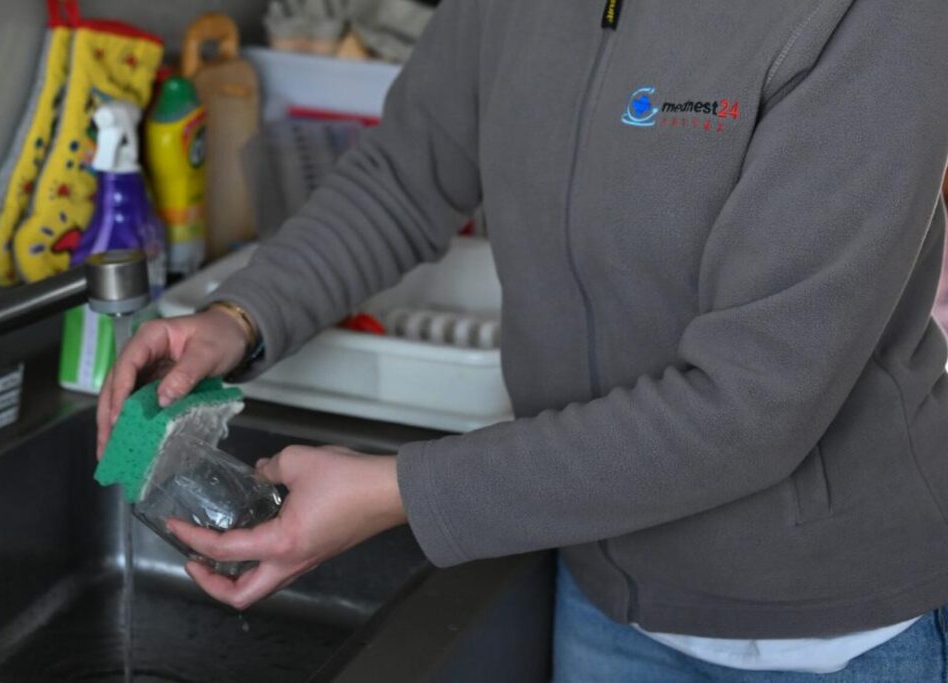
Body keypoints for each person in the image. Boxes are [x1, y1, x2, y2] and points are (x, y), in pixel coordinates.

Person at [97, 0, 948, 679]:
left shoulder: (876, 17)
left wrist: (403, 491)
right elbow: (404, 175)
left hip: (826, 634)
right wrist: (241, 317)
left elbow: (750, 406)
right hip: (599, 595)